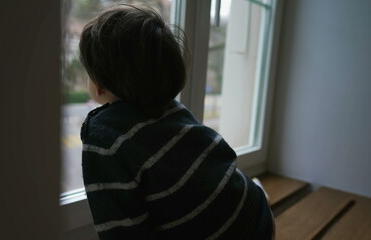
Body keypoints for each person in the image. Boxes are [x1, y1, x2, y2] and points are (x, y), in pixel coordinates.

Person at [79, 5, 274, 240]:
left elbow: (121, 229)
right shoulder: (171, 108)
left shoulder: (102, 137)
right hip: (257, 215)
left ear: (99, 86)